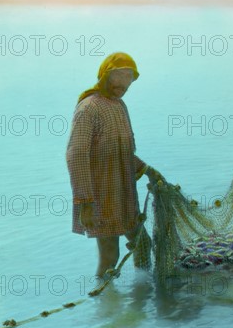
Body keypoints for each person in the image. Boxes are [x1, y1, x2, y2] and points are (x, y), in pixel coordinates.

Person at [66, 52, 165, 279]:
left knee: (142, 244)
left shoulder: (120, 106)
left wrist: (148, 171)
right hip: (100, 196)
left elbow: (123, 153)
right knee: (110, 255)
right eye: (117, 77)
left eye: (128, 78)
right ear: (104, 76)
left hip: (124, 193)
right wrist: (85, 202)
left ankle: (142, 296)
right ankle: (105, 304)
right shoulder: (89, 108)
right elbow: (76, 154)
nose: (122, 84)